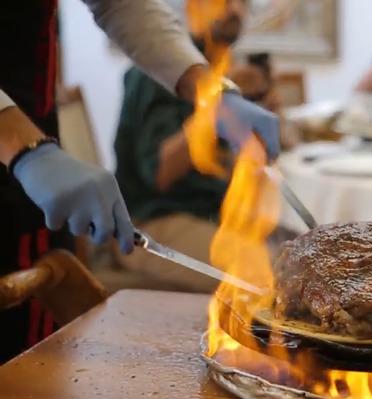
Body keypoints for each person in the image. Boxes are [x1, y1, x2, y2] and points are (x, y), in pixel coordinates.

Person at [0, 0, 280, 363]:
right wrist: (25, 150)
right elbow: (157, 170)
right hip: (26, 159)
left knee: (28, 373)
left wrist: (212, 93)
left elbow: (120, 4)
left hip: (28, 185)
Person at [115, 0, 287, 292]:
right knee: (276, 274)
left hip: (211, 214)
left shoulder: (221, 67)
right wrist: (215, 107)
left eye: (242, 2)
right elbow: (159, 172)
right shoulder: (158, 71)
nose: (234, 11)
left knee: (304, 253)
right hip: (153, 223)